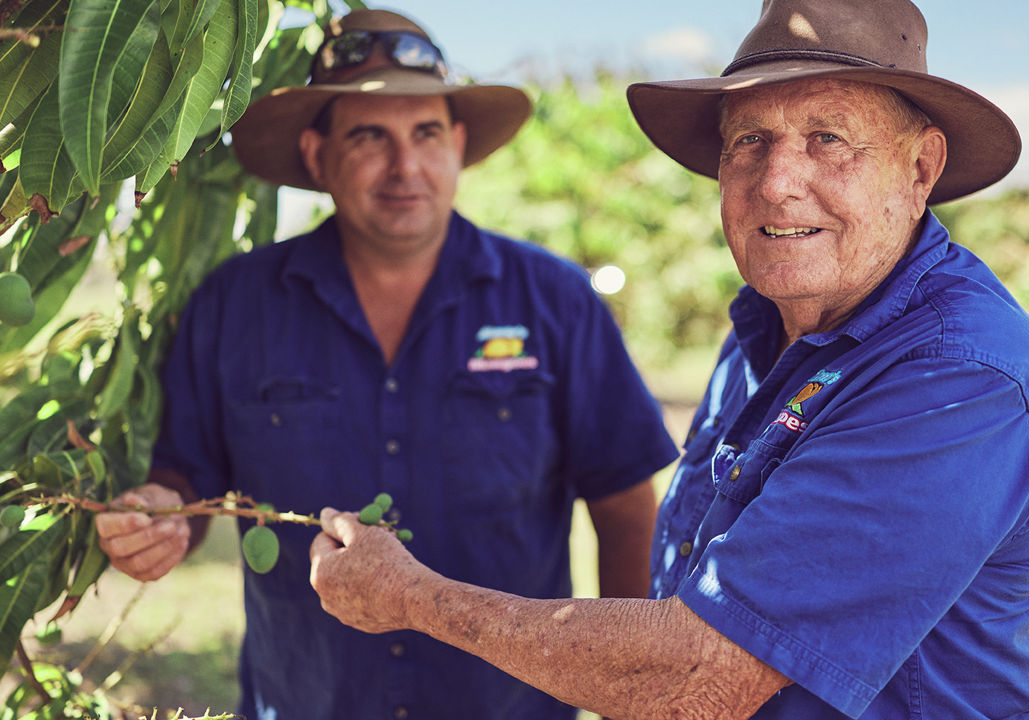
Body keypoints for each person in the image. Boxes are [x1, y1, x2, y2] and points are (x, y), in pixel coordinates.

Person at [308, 0, 1029, 718]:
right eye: (751, 140)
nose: (778, 183)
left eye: (829, 139)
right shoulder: (768, 326)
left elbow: (699, 675)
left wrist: (414, 599)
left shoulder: (962, 376)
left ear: (920, 171)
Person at [93, 9, 678, 720]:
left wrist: (623, 694)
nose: (406, 167)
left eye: (426, 134)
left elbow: (623, 507)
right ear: (317, 154)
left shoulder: (553, 300)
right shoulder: (234, 304)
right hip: (305, 701)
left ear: (458, 145)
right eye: (370, 136)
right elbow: (183, 484)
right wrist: (157, 519)